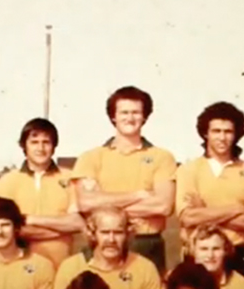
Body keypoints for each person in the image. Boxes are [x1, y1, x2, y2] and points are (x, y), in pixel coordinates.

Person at [71, 86, 177, 272]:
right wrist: (139, 194)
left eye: (136, 112)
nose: (130, 118)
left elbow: (163, 206)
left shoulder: (162, 157)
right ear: (113, 116)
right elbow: (86, 203)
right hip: (102, 243)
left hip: (146, 243)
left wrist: (105, 206)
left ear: (144, 116)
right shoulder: (91, 157)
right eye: (124, 112)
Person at [175, 102, 244, 278]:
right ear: (205, 133)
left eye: (228, 132)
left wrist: (205, 212)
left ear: (237, 134)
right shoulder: (188, 170)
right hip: (197, 253)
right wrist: (237, 209)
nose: (222, 137)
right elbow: (187, 217)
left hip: (236, 255)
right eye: (216, 131)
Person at [0, 118, 84, 270]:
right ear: (24, 146)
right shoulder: (7, 182)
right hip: (19, 268)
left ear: (54, 146)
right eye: (34, 142)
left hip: (63, 267)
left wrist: (30, 219)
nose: (40, 148)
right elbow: (5, 230)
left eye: (46, 142)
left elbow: (78, 223)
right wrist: (61, 230)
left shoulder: (70, 179)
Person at [50, 207, 164, 289]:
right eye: (104, 232)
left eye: (118, 233)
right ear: (92, 235)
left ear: (127, 235)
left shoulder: (144, 268)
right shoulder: (71, 267)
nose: (111, 240)